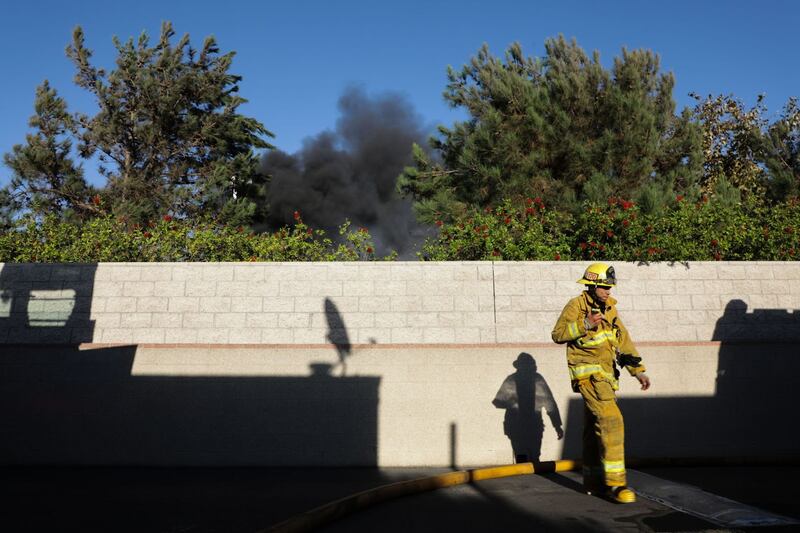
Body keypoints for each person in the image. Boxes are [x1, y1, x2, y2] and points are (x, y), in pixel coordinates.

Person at [551, 262, 650, 504]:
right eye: (604, 286)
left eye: (610, 286)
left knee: (593, 429)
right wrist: (585, 325)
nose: (608, 290)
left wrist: (637, 371)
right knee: (612, 422)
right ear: (592, 284)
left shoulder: (610, 309)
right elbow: (558, 334)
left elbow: (623, 341)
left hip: (606, 378)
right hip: (588, 378)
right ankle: (616, 485)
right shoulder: (576, 306)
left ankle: (594, 483)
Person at [492, 353, 564, 463]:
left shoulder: (512, 379)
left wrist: (512, 404)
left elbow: (498, 402)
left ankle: (525, 478)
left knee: (521, 459)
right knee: (534, 458)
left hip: (517, 426)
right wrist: (557, 425)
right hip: (532, 426)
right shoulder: (537, 379)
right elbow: (550, 404)